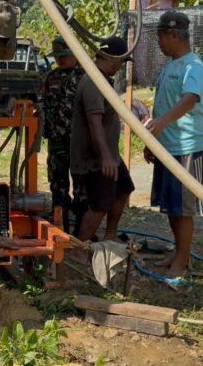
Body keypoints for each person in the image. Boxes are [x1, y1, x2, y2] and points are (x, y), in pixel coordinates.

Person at [144, 10, 203, 278]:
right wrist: (153, 140)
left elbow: (189, 99)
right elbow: (161, 102)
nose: (159, 44)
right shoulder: (169, 65)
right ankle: (178, 251)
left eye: (161, 37)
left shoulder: (193, 66)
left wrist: (160, 122)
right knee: (171, 205)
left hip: (188, 146)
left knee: (183, 209)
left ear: (173, 35)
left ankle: (182, 260)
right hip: (167, 146)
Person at [70, 38, 135, 264]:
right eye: (120, 61)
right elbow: (94, 121)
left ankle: (110, 234)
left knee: (124, 188)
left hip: (109, 155)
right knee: (99, 204)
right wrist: (106, 156)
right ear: (109, 58)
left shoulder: (103, 80)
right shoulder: (93, 82)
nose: (120, 66)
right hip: (95, 158)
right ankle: (80, 248)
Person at [41, 36, 86, 234]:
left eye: (64, 55)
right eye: (58, 56)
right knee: (58, 189)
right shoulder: (51, 78)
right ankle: (61, 232)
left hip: (79, 143)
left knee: (82, 190)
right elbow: (43, 106)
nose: (60, 60)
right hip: (57, 142)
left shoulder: (86, 77)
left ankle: (82, 233)